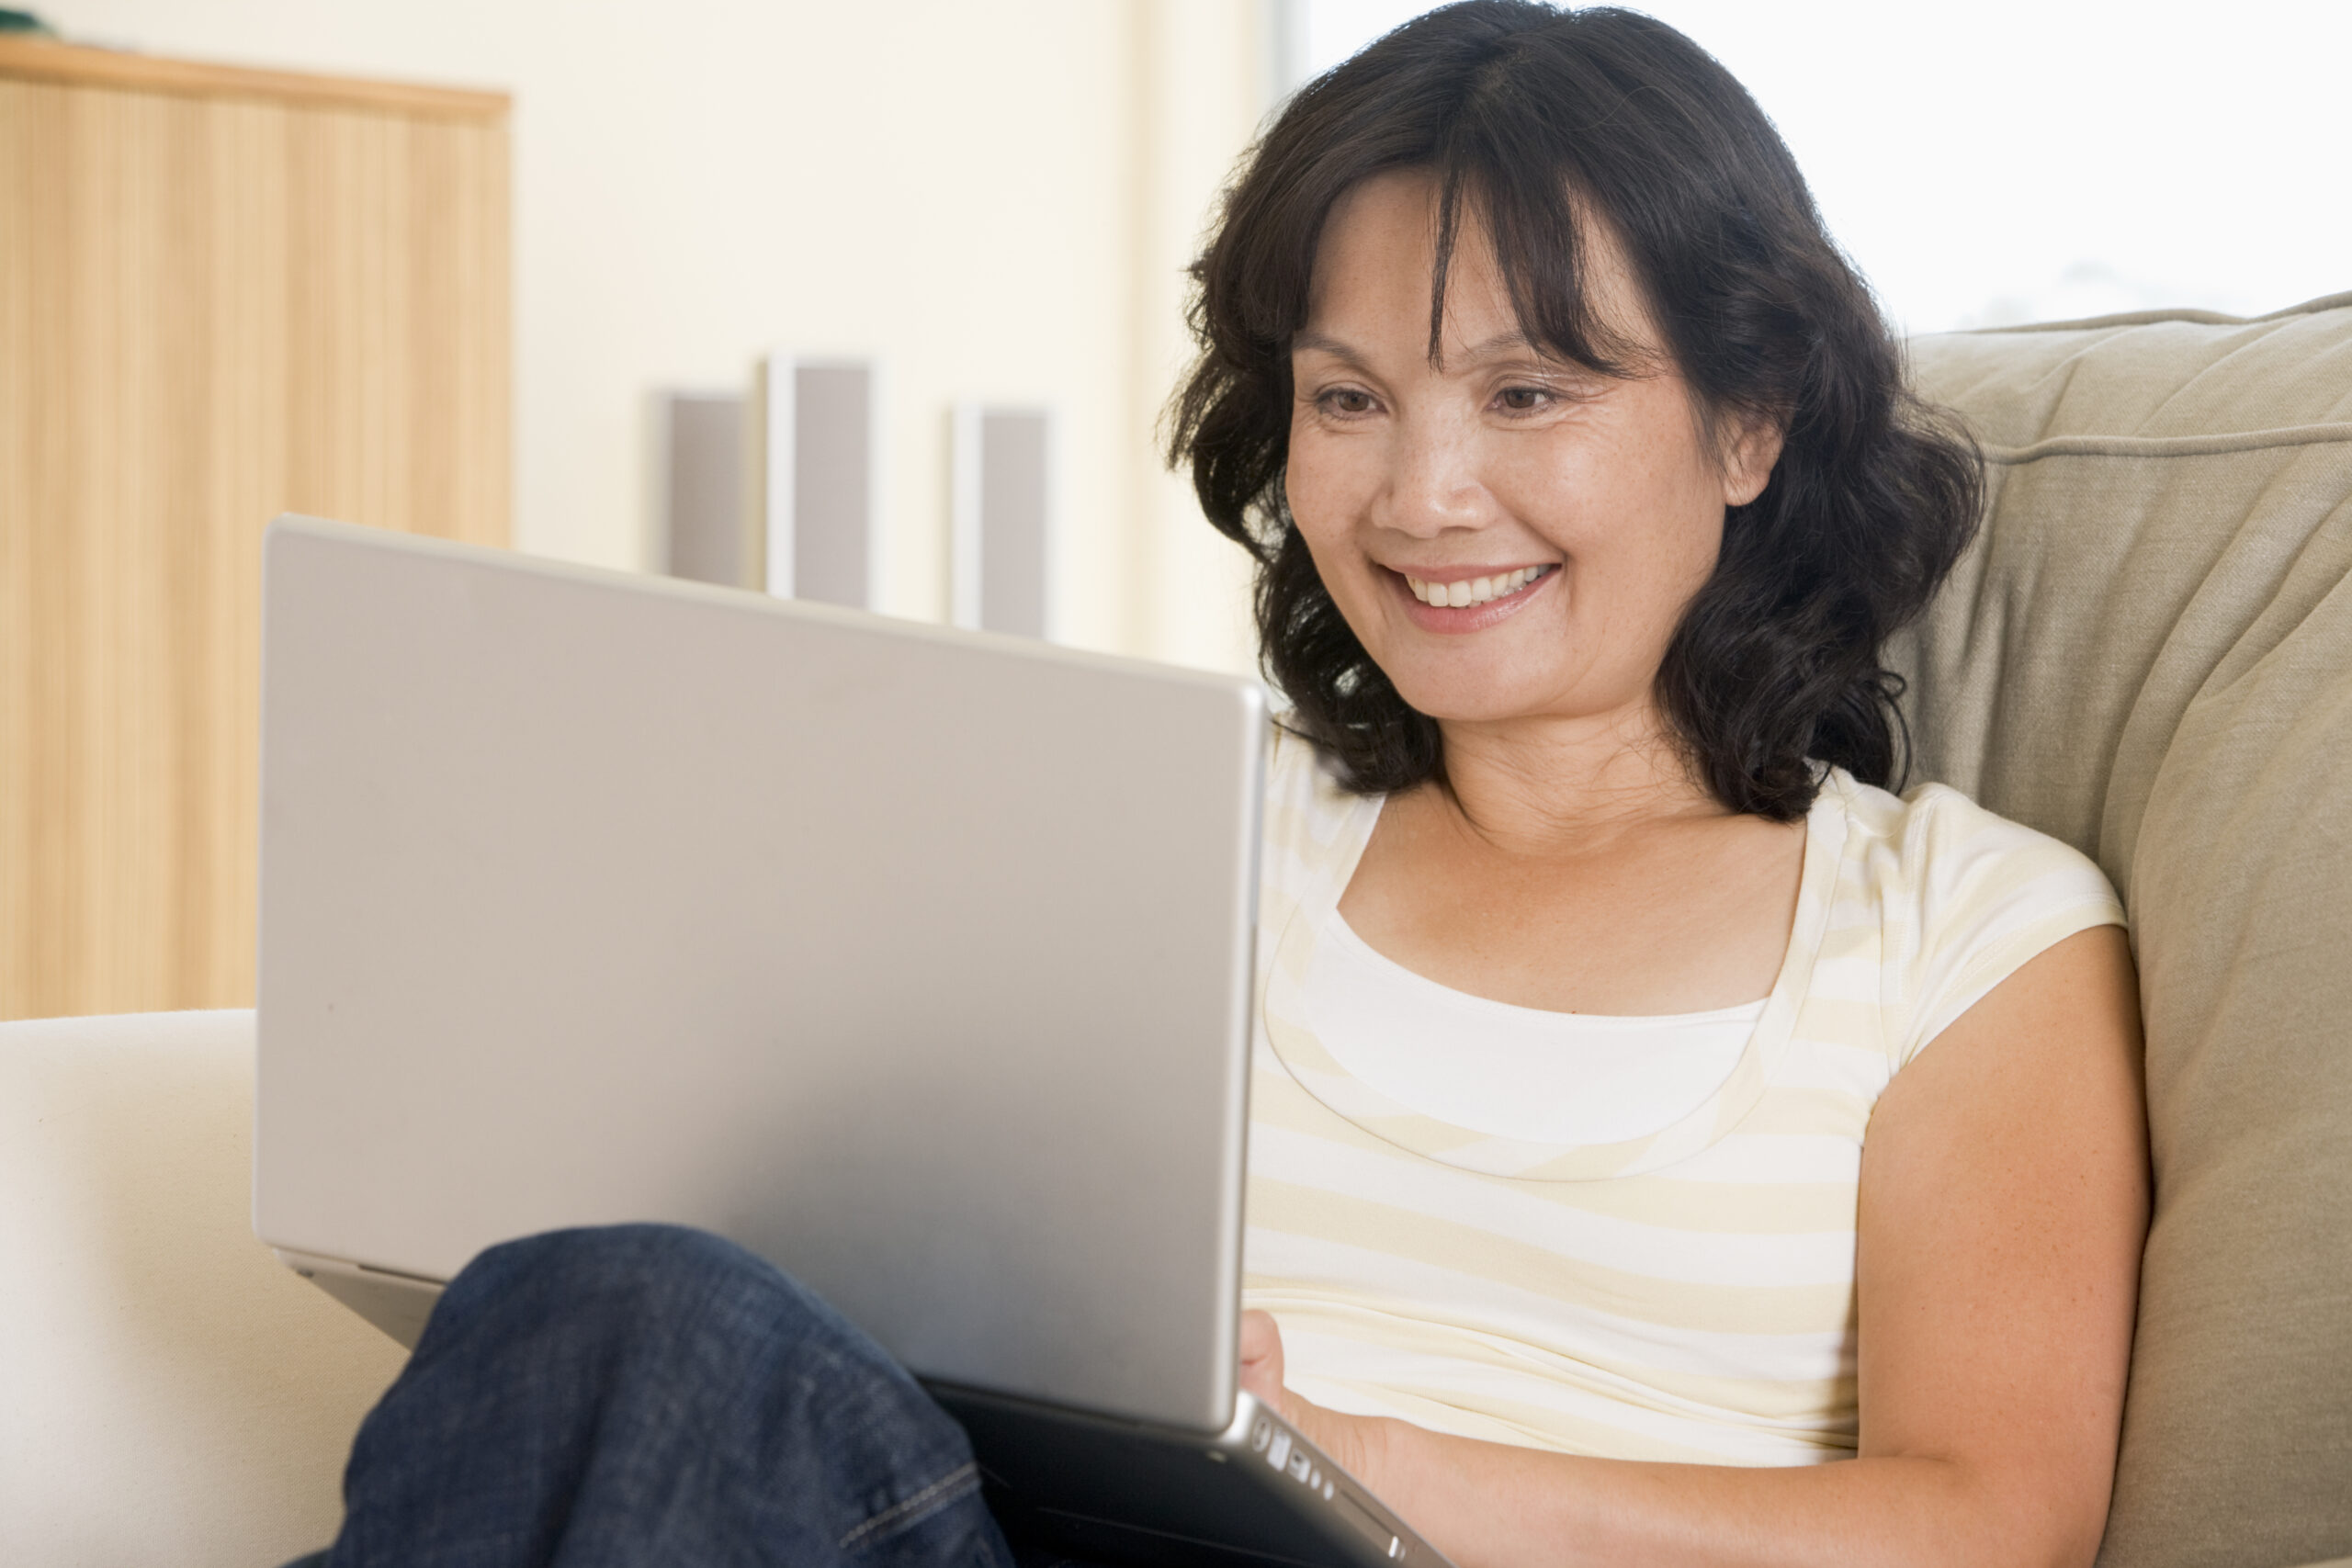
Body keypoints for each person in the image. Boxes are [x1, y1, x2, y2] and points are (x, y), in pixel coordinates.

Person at [296, 6, 2148, 1566]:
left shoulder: (1959, 931)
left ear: (1747, 421)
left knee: (652, 1334)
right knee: (615, 1310)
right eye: (1346, 401)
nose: (1418, 495)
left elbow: (1987, 1517)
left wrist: (1356, 1463)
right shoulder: (1172, 845)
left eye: (1522, 396)